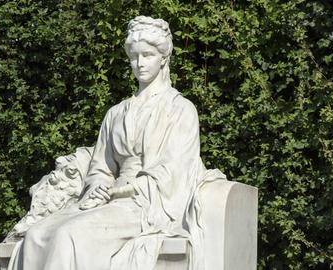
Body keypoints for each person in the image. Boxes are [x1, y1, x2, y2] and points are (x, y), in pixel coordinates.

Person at [17, 16, 212, 270]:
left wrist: (125, 189)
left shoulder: (181, 110)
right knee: (35, 235)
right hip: (108, 201)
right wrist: (98, 185)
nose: (140, 63)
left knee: (69, 236)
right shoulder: (116, 113)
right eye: (134, 56)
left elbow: (174, 172)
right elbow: (101, 167)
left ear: (163, 58)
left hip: (145, 205)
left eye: (148, 55)